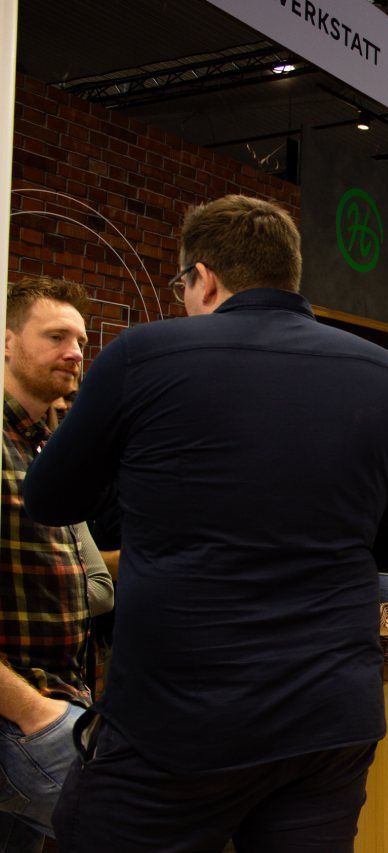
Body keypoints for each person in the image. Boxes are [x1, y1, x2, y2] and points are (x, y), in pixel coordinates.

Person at [23, 194, 388, 850]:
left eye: (182, 284)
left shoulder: (144, 356)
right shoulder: (387, 376)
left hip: (179, 718)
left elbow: (50, 499)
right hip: (329, 718)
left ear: (205, 277)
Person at [0, 276, 106, 852]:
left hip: (57, 700)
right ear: (7, 342)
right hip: (23, 712)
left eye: (81, 341)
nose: (74, 352)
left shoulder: (42, 446)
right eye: (56, 336)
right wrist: (33, 711)